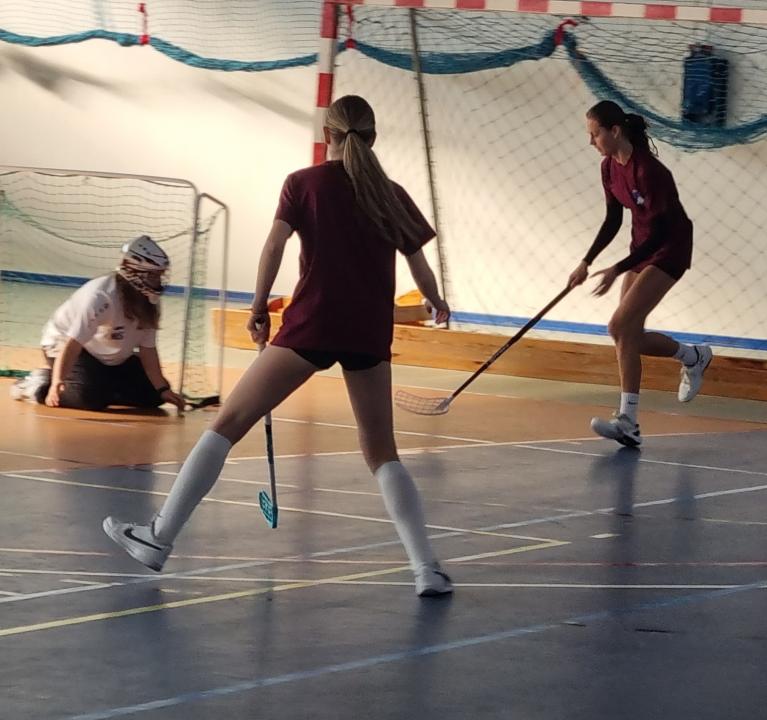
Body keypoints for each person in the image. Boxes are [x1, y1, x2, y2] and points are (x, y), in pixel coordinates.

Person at [102, 95, 454, 597]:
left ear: (327, 135)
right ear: (372, 138)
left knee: (227, 424)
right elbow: (417, 261)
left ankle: (158, 538)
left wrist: (257, 307)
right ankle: (426, 569)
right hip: (368, 330)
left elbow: (274, 245)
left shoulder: (302, 183)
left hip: (313, 325)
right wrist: (436, 300)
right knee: (382, 452)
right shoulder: (391, 193)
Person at [567, 100, 712, 448]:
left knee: (619, 325)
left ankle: (628, 420)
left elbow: (661, 234)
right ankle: (693, 356)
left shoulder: (650, 171)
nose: (591, 142)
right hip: (642, 247)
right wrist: (586, 262)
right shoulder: (608, 167)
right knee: (626, 333)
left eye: (595, 134)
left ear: (615, 131)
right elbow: (613, 219)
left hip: (671, 248)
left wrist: (617, 269)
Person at [9, 235, 186, 411]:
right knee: (89, 397)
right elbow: (73, 343)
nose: (158, 281)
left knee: (152, 396)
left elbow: (148, 349)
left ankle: (99, 385)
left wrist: (162, 389)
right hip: (65, 347)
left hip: (107, 355)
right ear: (134, 272)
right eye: (153, 275)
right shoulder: (101, 297)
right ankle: (37, 384)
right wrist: (57, 381)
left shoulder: (149, 301)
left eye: (160, 275)